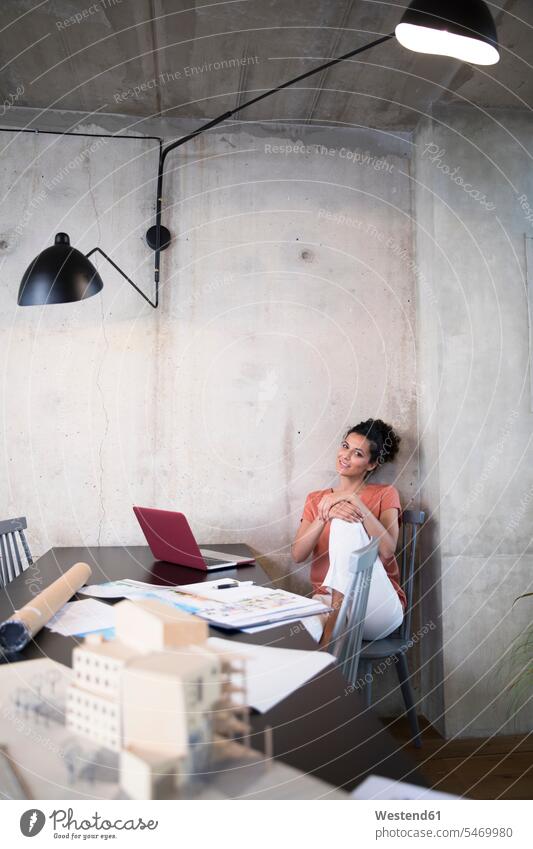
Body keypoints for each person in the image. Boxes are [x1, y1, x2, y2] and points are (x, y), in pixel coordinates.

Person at [291, 418, 406, 645]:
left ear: (371, 465)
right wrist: (327, 514)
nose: (345, 456)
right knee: (300, 633)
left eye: (357, 454)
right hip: (326, 599)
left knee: (347, 521)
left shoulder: (385, 494)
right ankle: (326, 653)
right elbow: (298, 555)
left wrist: (353, 500)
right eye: (345, 446)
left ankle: (333, 626)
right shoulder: (318, 499)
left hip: (375, 605)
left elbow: (388, 550)